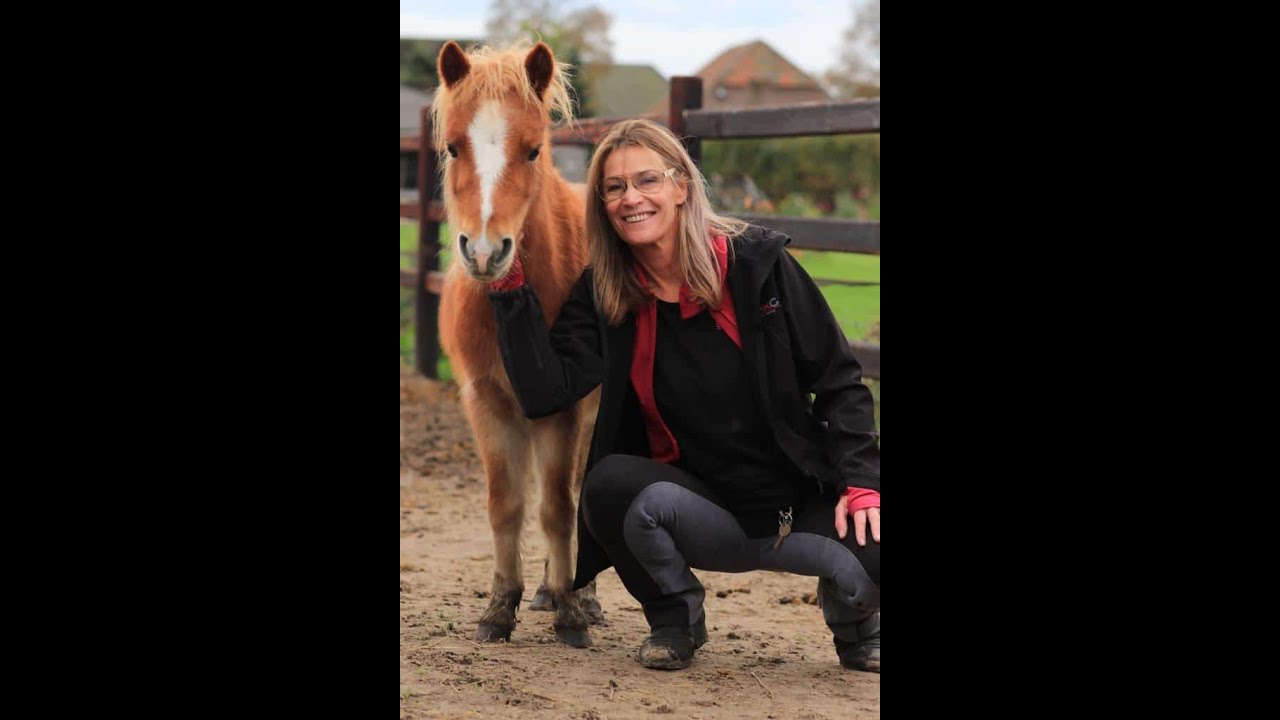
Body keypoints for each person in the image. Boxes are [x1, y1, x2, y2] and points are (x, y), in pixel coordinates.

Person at [487, 119, 880, 672]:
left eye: (647, 180)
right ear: (602, 205)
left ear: (681, 186)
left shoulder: (758, 268)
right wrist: (508, 288)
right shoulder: (605, 292)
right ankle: (675, 617)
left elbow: (839, 380)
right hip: (691, 505)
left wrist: (862, 483)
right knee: (609, 486)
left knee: (877, 530)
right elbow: (545, 392)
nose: (632, 198)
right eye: (615, 187)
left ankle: (857, 625)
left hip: (791, 498)